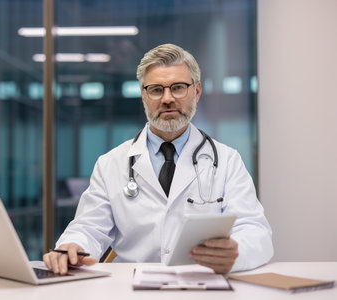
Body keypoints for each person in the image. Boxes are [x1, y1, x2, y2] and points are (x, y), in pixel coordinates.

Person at [43, 43, 273, 275]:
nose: (167, 99)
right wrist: (72, 246)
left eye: (178, 87)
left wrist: (237, 252)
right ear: (143, 96)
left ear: (197, 91)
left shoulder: (227, 160)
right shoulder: (111, 163)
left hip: (200, 286)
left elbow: (255, 231)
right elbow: (89, 227)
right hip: (130, 288)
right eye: (155, 89)